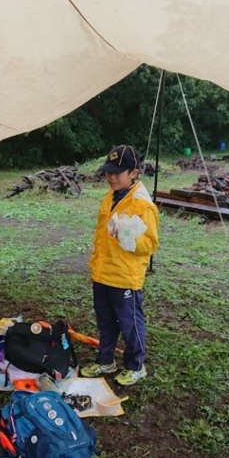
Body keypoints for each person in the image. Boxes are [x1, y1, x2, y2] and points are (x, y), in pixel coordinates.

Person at [81, 145, 159, 386]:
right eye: (108, 172)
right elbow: (100, 237)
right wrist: (94, 268)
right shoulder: (109, 198)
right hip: (103, 274)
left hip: (125, 277)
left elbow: (150, 244)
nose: (112, 177)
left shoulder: (142, 205)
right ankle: (105, 360)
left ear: (134, 172)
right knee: (105, 321)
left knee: (130, 324)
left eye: (118, 172)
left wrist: (127, 237)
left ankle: (136, 366)